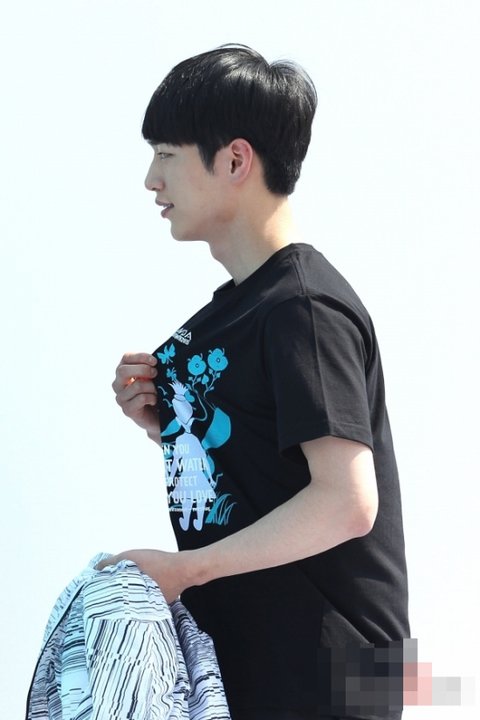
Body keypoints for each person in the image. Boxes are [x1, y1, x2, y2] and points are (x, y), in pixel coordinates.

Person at [98, 45, 409, 720]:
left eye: (167, 154)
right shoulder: (235, 313)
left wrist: (184, 570)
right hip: (259, 675)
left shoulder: (304, 307)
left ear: (235, 160)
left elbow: (347, 502)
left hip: (329, 686)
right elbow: (267, 471)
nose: (151, 179)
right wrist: (169, 429)